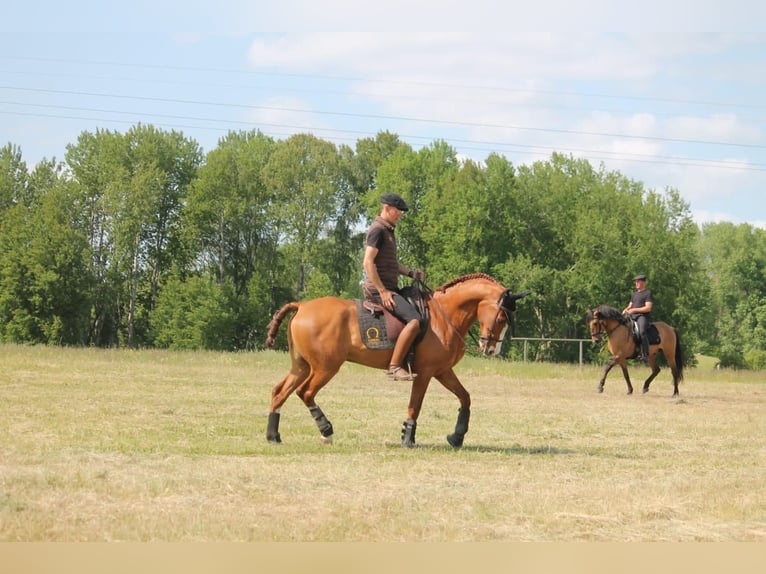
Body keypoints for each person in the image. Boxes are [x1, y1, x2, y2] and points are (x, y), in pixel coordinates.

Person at [362, 193, 425, 381]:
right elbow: (367, 263)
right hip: (379, 290)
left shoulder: (388, 231)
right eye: (398, 211)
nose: (400, 215)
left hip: (390, 288)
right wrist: (382, 291)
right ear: (387, 208)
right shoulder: (378, 230)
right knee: (415, 321)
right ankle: (395, 366)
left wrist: (411, 274)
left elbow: (392, 264)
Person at [623, 274, 653, 362]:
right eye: (635, 282)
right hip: (632, 316)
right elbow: (630, 305)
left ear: (643, 283)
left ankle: (646, 354)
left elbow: (648, 308)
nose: (636, 283)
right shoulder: (634, 294)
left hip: (642, 316)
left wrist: (634, 310)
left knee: (642, 332)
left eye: (638, 282)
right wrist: (625, 310)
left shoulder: (647, 293)